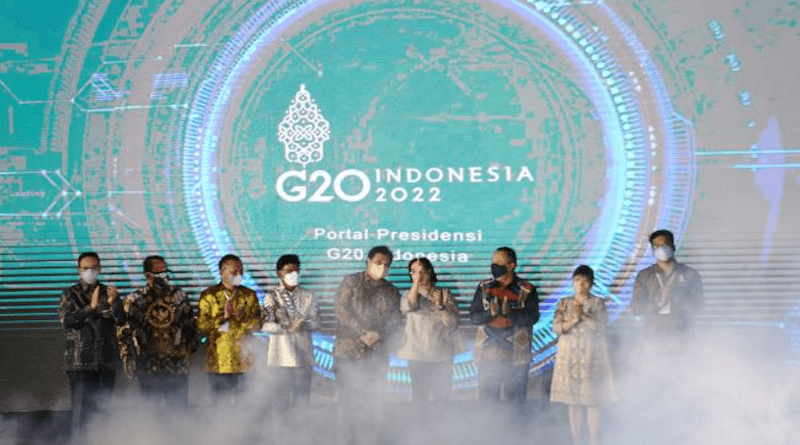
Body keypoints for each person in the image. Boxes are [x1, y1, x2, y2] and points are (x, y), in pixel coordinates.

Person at [333, 245, 403, 445]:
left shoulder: (391, 291)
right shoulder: (351, 282)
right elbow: (341, 310)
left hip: (376, 356)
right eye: (378, 262)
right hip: (348, 353)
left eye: (386, 264)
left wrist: (379, 334)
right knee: (347, 407)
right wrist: (363, 332)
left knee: (374, 405)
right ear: (368, 262)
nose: (382, 267)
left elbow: (396, 322)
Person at [117, 255, 197, 407]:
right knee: (151, 414)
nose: (164, 276)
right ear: (148, 275)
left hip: (176, 367)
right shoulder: (135, 299)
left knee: (178, 413)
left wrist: (189, 351)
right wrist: (129, 359)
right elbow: (125, 332)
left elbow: (190, 328)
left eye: (165, 272)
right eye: (159, 273)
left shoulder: (179, 297)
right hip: (148, 367)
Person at [59, 252, 125, 436]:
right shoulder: (70, 294)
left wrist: (113, 304)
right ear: (79, 270)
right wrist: (91, 308)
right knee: (81, 414)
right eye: (86, 268)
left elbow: (120, 320)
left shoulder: (108, 292)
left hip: (106, 361)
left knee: (103, 412)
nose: (90, 271)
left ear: (100, 269)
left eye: (93, 267)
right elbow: (66, 321)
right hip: (80, 362)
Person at [551, 265, 616, 445]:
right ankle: (577, 440)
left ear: (591, 283)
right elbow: (556, 328)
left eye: (585, 280)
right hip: (568, 355)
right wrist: (573, 320)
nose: (581, 284)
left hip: (591, 355)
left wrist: (585, 317)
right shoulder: (563, 302)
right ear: (572, 283)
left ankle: (594, 440)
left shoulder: (597, 303)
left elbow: (601, 328)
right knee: (573, 402)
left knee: (592, 401)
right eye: (578, 280)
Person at [469, 246, 539, 410]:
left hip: (516, 359)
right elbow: (474, 317)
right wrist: (491, 315)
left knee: (515, 406)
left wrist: (509, 314)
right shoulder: (484, 288)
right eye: (493, 262)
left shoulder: (527, 289)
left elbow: (532, 317)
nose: (494, 266)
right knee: (487, 406)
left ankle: (517, 435)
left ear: (512, 265)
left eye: (499, 262)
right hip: (487, 358)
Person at [396, 257, 459, 409]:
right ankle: (419, 430)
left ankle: (443, 430)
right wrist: (416, 284)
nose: (418, 275)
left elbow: (453, 324)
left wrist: (441, 307)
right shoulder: (408, 294)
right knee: (419, 398)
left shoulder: (444, 294)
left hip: (441, 354)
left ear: (430, 272)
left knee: (442, 399)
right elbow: (408, 307)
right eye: (413, 272)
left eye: (421, 271)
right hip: (417, 355)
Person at [197, 254, 261, 402]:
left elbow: (257, 323)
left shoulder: (248, 295)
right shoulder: (209, 296)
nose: (239, 275)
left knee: (244, 405)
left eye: (241, 271)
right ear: (221, 272)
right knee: (221, 405)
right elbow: (201, 325)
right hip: (219, 360)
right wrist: (224, 320)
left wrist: (241, 318)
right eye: (234, 272)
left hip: (244, 360)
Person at [262, 254, 321, 407]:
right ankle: (281, 431)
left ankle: (301, 431)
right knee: (280, 403)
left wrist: (304, 324)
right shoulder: (272, 297)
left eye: (296, 271)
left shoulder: (308, 296)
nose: (293, 274)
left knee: (302, 402)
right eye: (288, 271)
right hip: (281, 358)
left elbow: (317, 322)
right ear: (279, 273)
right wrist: (286, 328)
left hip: (304, 357)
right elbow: (266, 325)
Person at [631, 229, 704, 334]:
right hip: (653, 332)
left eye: (665, 245)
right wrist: (657, 303)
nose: (662, 249)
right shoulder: (645, 276)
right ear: (652, 251)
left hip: (681, 331)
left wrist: (679, 301)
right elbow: (636, 307)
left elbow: (699, 305)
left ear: (673, 247)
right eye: (657, 246)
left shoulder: (690, 274)